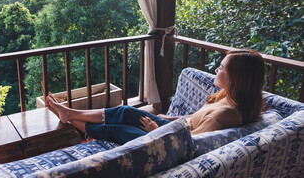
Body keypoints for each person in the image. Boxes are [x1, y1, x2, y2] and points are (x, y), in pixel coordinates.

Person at [46, 49, 265, 144]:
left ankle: (71, 120)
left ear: (236, 77)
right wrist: (167, 119)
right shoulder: (231, 98)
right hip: (173, 129)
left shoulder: (226, 114)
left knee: (118, 130)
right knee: (126, 111)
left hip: (169, 142)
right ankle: (70, 112)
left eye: (221, 68)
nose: (216, 70)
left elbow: (190, 144)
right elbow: (192, 121)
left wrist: (156, 129)